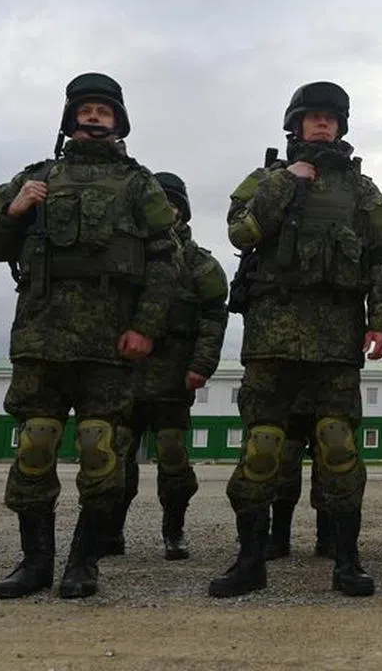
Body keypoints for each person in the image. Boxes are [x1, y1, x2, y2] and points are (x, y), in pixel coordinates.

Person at [0, 72, 177, 599]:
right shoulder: (34, 177)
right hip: (41, 337)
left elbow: (165, 258)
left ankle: (83, 563)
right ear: (70, 119)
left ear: (117, 122)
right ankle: (35, 562)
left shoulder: (139, 184)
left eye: (103, 112)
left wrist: (146, 327)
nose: (93, 117)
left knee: (100, 449)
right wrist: (15, 210)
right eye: (85, 110)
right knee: (35, 445)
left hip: (110, 343)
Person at [210, 81, 382, 598]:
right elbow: (241, 233)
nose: (322, 125)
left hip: (336, 342)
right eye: (313, 117)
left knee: (339, 448)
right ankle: (249, 561)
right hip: (272, 339)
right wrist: (284, 184)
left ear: (341, 126)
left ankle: (347, 561)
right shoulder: (266, 179)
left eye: (330, 119)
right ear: (295, 125)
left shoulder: (361, 191)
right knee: (263, 447)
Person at [107, 172, 228, 561]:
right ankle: (110, 531)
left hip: (173, 376)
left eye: (173, 203)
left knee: (172, 454)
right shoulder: (125, 252)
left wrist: (202, 365)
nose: (167, 209)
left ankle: (173, 530)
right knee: (116, 453)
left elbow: (214, 317)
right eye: (160, 202)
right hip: (123, 374)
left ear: (183, 211)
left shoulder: (200, 264)